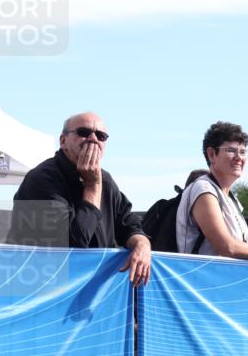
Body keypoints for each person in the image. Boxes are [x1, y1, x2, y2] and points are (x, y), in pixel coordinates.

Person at [8, 112, 151, 286]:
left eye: (101, 136)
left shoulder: (105, 181)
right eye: (84, 132)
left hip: (95, 292)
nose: (93, 139)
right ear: (63, 141)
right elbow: (72, 246)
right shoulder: (43, 178)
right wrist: (92, 187)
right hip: (46, 289)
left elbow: (129, 225)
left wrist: (142, 245)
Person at [177, 121, 248, 261]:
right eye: (231, 150)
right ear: (211, 154)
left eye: (243, 152)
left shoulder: (232, 200)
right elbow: (227, 247)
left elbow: (238, 254)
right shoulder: (203, 189)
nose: (239, 158)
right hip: (200, 276)